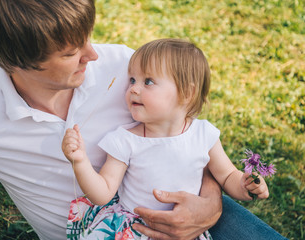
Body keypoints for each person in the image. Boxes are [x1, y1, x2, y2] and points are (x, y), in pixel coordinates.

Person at [0, 0, 287, 240]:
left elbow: (185, 138)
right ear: (16, 61)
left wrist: (209, 204)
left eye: (88, 37)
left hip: (187, 209)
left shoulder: (127, 68)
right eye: (70, 53)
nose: (92, 55)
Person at [62, 39, 270, 239]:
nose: (133, 88)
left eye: (148, 81)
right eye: (132, 80)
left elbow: (227, 176)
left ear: (187, 93)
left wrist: (245, 186)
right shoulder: (125, 140)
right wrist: (80, 161)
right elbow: (103, 193)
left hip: (185, 229)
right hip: (133, 229)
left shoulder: (203, 134)